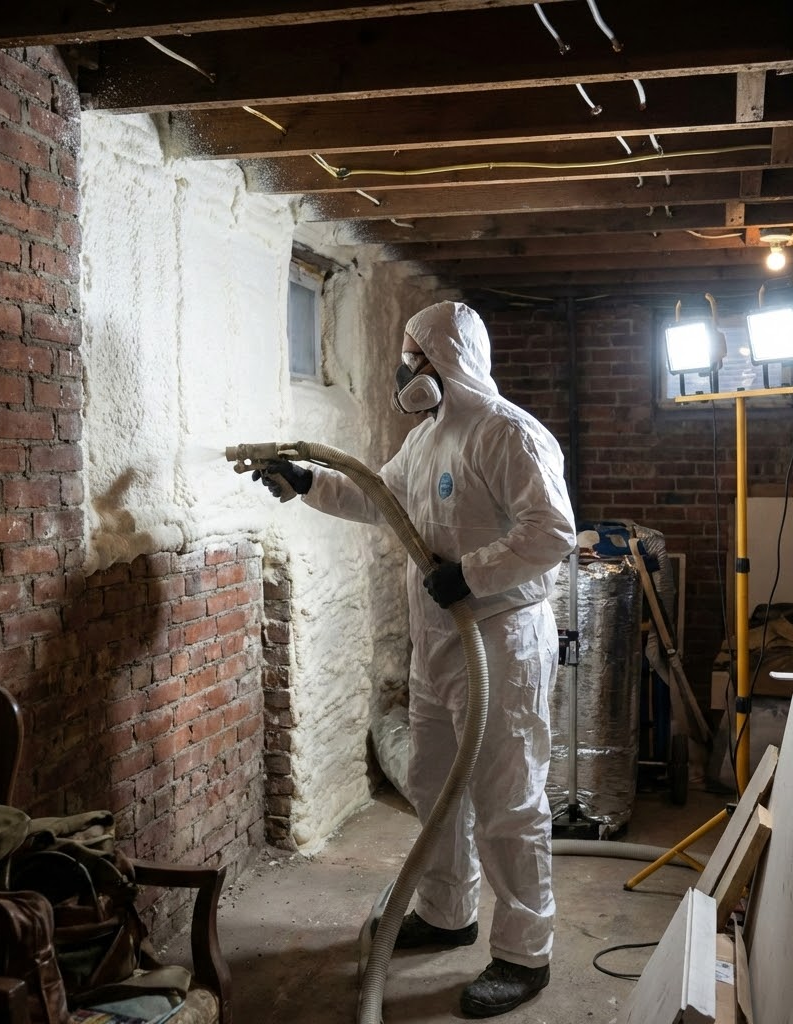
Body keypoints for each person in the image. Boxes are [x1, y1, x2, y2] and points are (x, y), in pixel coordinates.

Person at [256, 300, 576, 1018]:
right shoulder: (428, 438)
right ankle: (447, 910)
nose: (404, 370)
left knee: (507, 800)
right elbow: (379, 499)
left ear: (447, 359)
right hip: (438, 644)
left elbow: (553, 531)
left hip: (500, 641)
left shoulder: (508, 434)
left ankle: (525, 954)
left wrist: (474, 573)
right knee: (435, 784)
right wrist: (307, 483)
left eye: (413, 356)